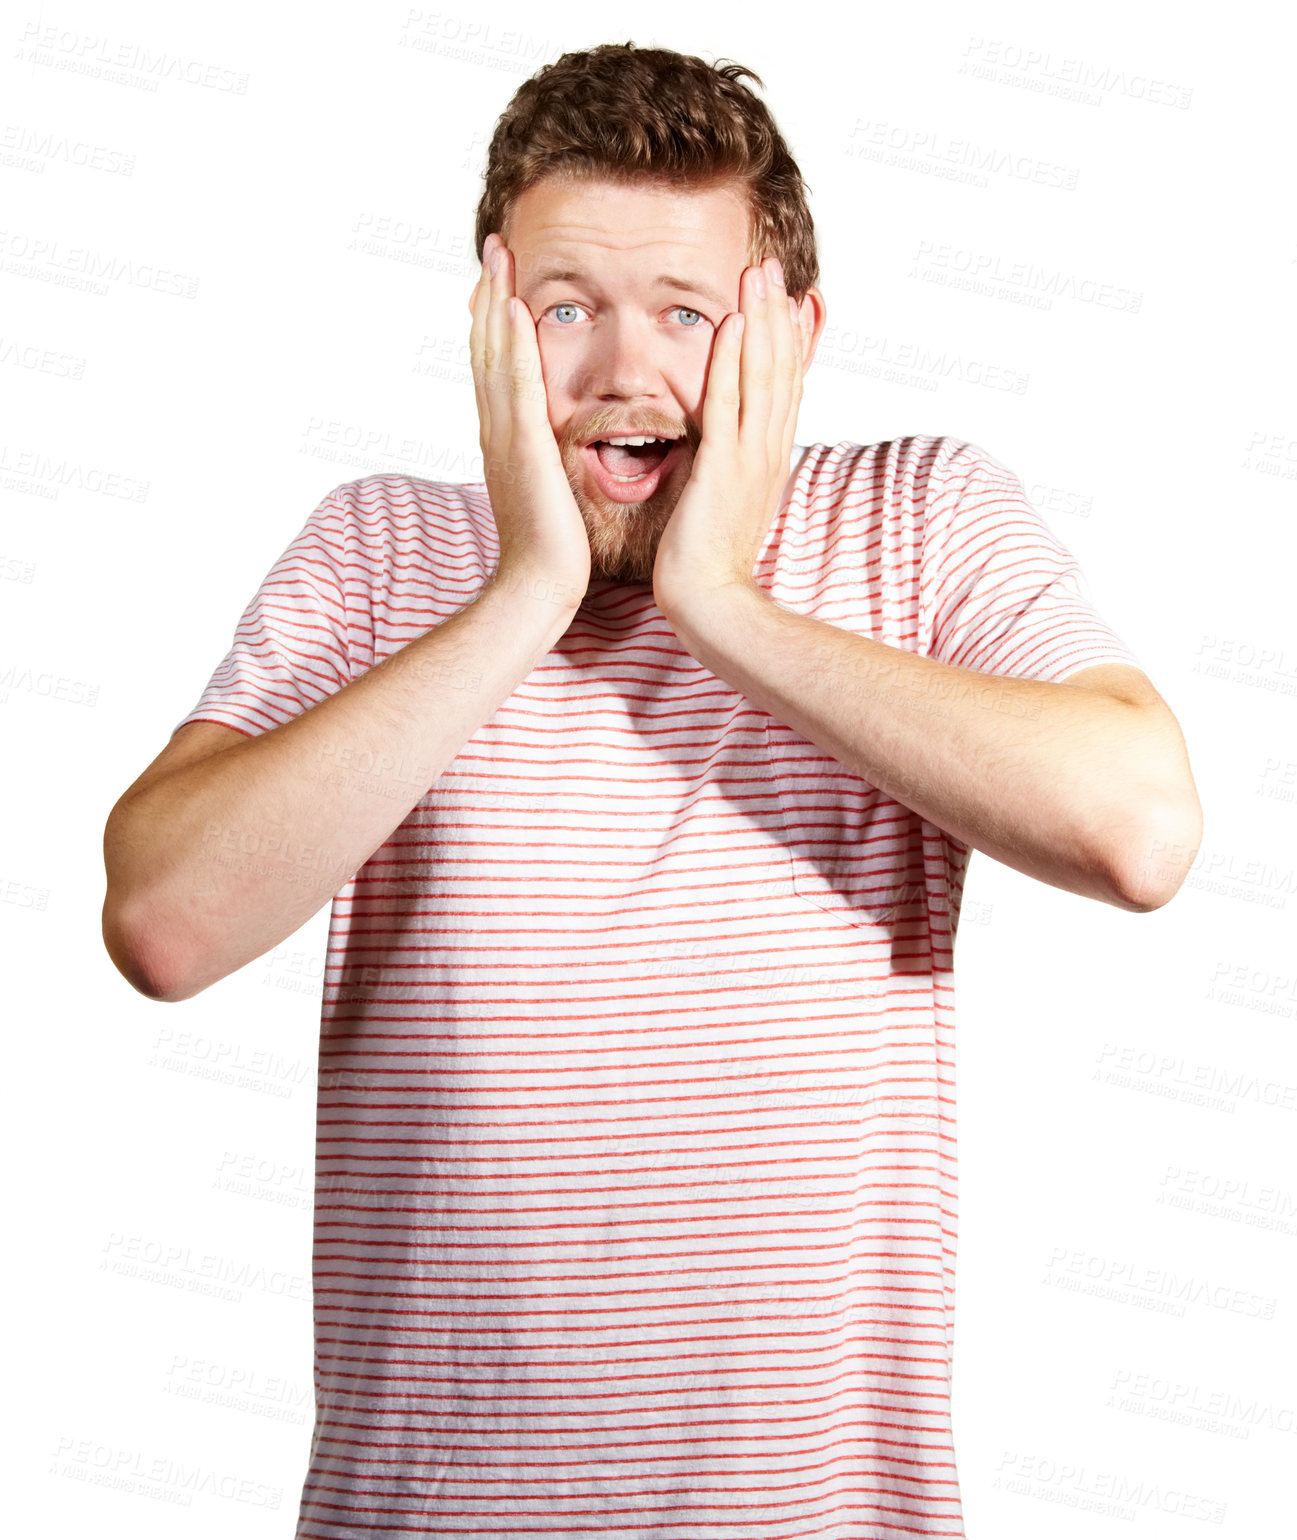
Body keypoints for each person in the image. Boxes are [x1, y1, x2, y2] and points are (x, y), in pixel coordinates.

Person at [102, 42, 1202, 1540]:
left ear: (792, 333)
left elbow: (1138, 829)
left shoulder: (914, 518)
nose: (624, 371)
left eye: (687, 313)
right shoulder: (376, 555)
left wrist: (726, 609)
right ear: (491, 325)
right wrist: (525, 589)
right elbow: (164, 920)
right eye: (566, 310)